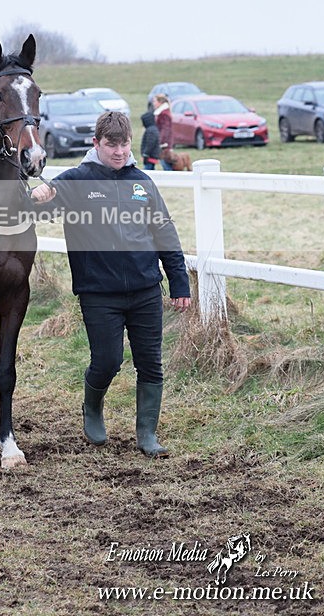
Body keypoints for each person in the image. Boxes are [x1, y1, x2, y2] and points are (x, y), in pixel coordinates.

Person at [31, 111, 191, 457]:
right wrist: (39, 194)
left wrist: (179, 282)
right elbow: (36, 211)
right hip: (98, 292)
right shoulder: (75, 181)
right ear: (96, 144)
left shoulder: (142, 182)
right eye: (111, 144)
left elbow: (164, 231)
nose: (119, 151)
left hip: (146, 288)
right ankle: (92, 408)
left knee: (150, 362)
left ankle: (147, 434)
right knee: (107, 360)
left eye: (124, 144)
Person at [153, 94, 173, 170]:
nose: (153, 103)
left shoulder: (164, 113)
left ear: (160, 102)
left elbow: (165, 129)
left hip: (164, 144)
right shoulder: (162, 112)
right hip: (164, 143)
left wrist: (161, 141)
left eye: (155, 101)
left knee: (165, 163)